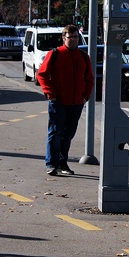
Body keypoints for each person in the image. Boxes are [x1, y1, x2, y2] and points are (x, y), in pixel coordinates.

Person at [37, 25, 94, 176]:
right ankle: (51, 164)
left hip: (76, 103)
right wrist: (51, 94)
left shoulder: (83, 57)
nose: (74, 40)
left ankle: (62, 162)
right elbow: (42, 74)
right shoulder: (55, 54)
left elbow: (89, 79)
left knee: (68, 134)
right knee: (55, 133)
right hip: (59, 102)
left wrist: (85, 96)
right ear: (64, 38)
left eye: (76, 37)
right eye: (70, 37)